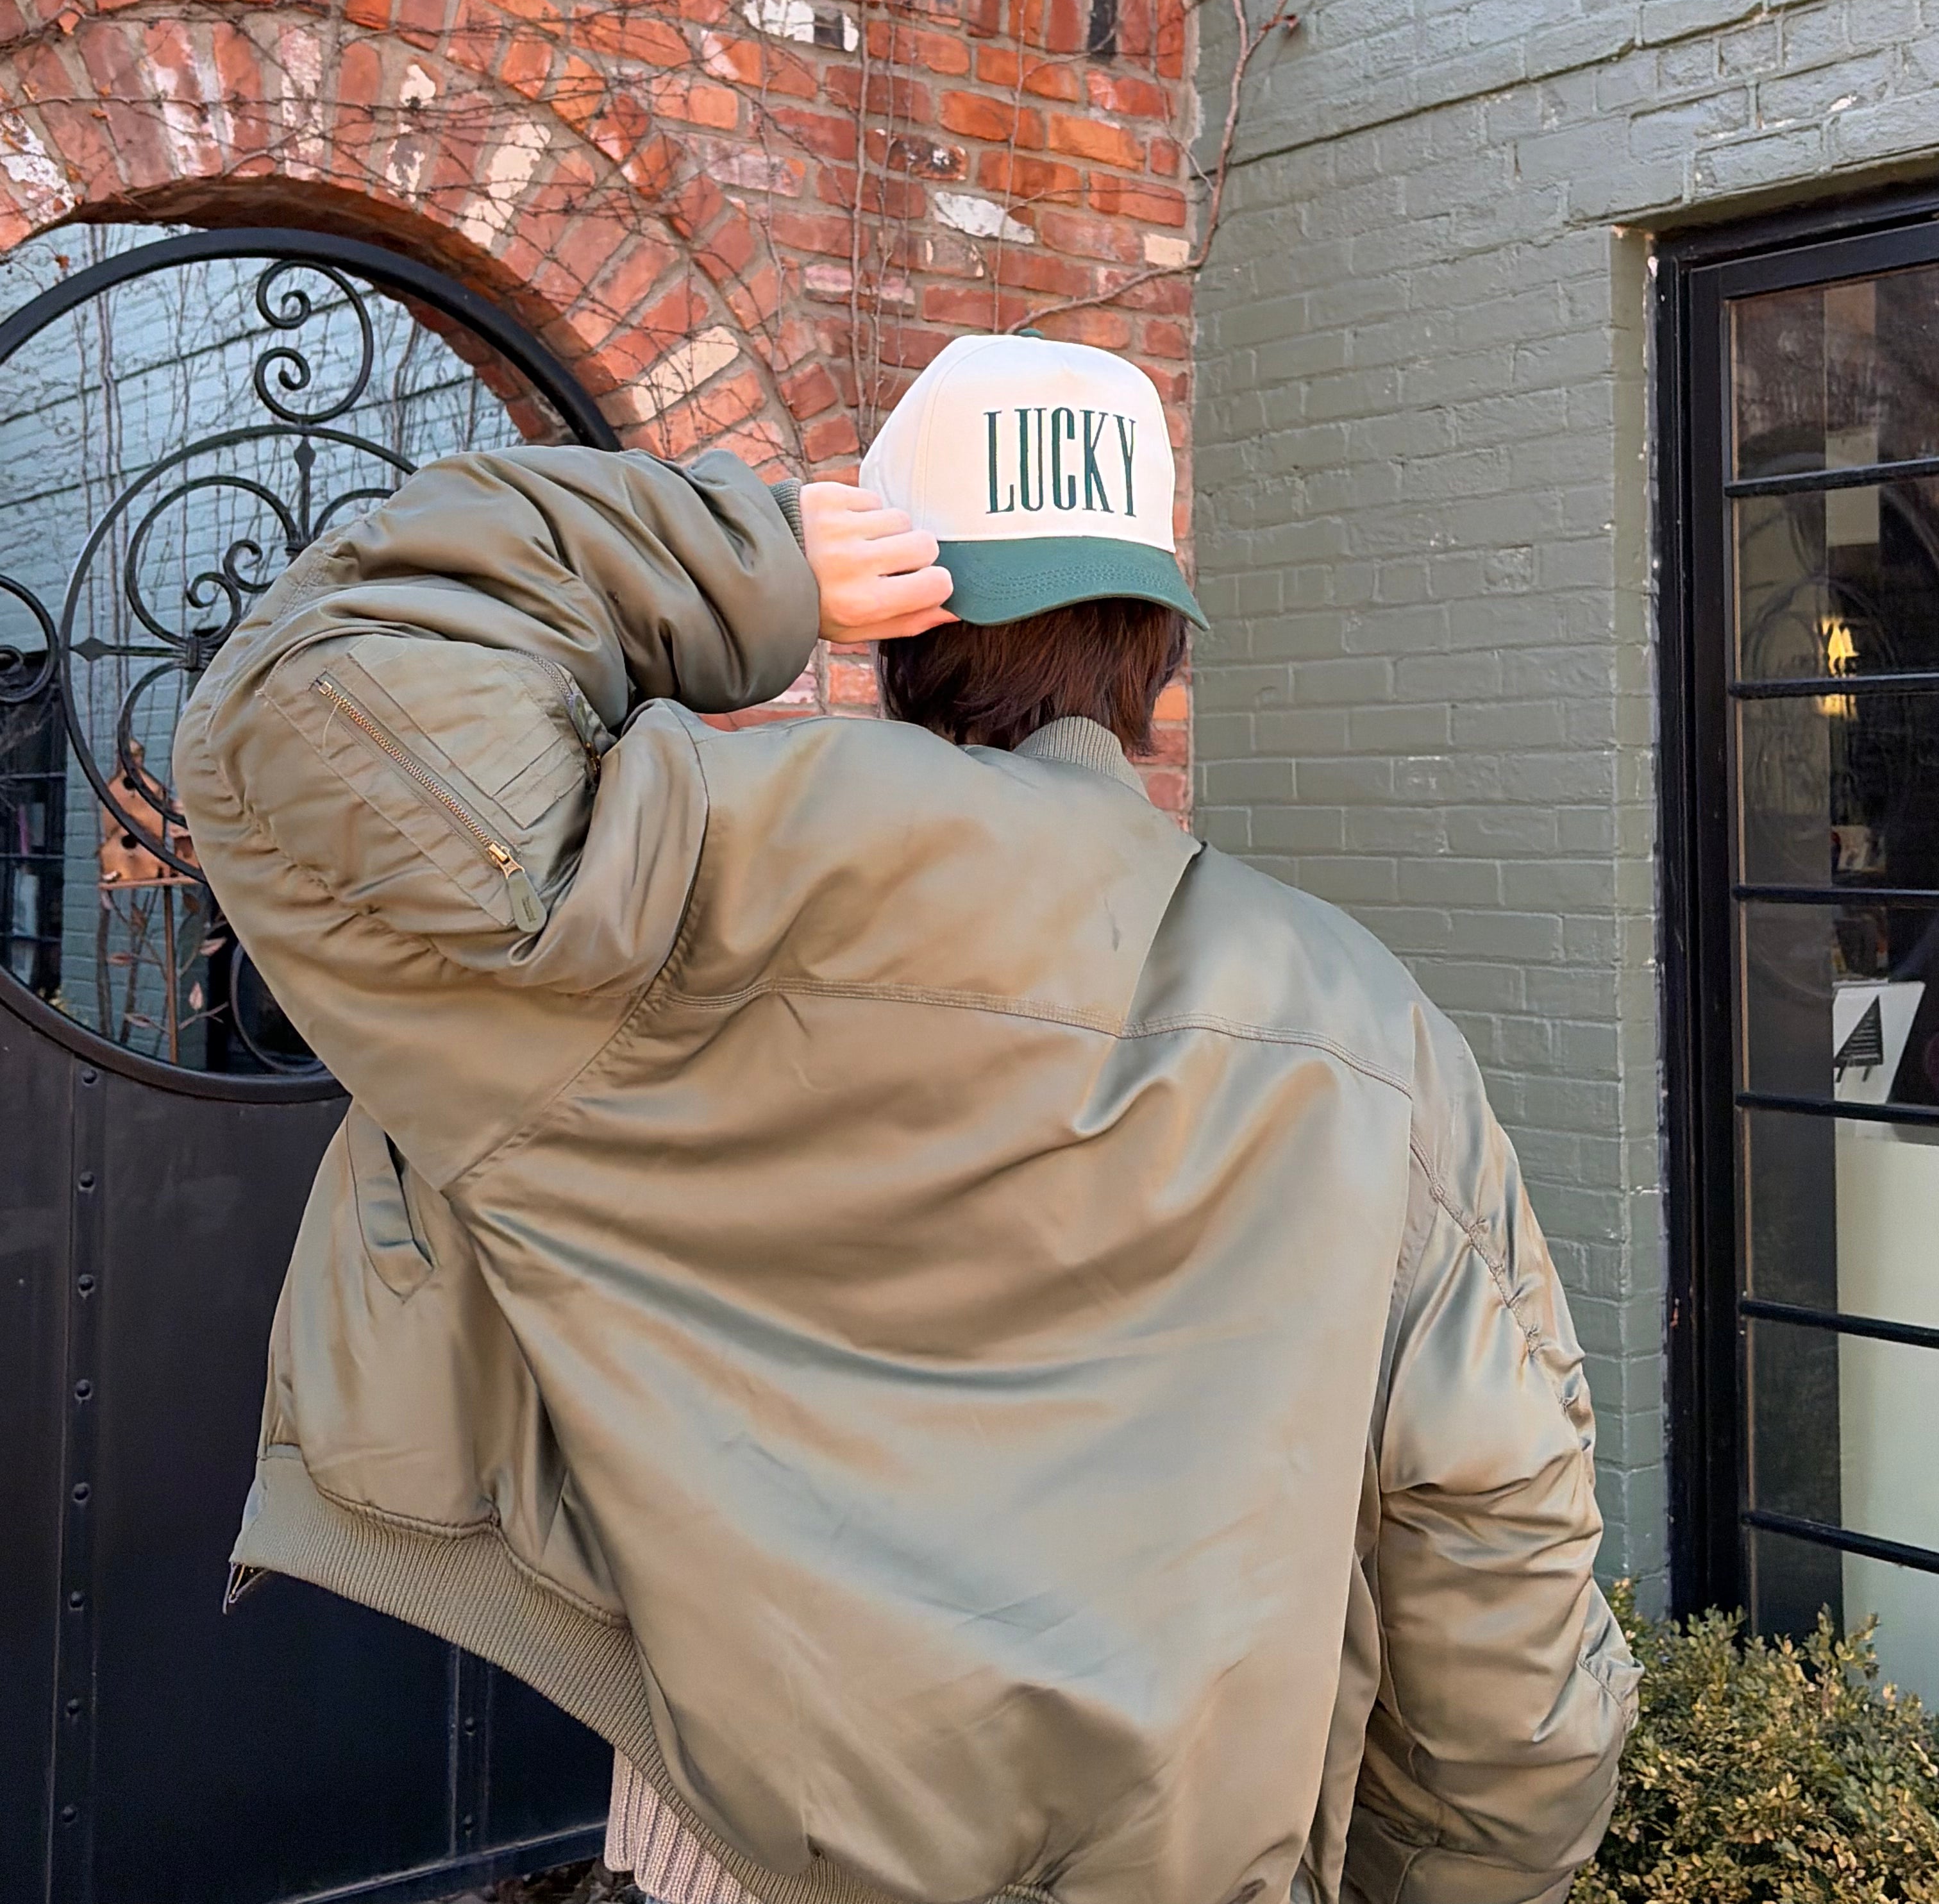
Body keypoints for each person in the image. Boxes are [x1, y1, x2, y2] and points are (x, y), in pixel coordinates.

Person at [177, 330, 1636, 1904]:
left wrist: (745, 563)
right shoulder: (1375, 1034)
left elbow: (305, 693)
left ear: (896, 630)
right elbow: (1502, 1574)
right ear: (1160, 651)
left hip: (733, 1848)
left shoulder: (674, 886)